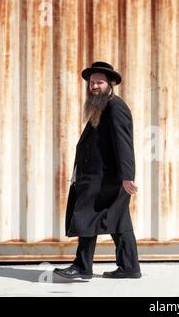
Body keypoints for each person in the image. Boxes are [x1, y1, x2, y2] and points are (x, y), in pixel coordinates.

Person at [53, 61, 141, 279]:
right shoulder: (101, 107)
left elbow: (124, 143)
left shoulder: (115, 107)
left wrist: (127, 176)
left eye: (99, 82)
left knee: (86, 216)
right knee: (119, 221)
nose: (94, 86)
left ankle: (82, 267)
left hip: (105, 179)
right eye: (92, 82)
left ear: (110, 84)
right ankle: (129, 267)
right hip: (101, 177)